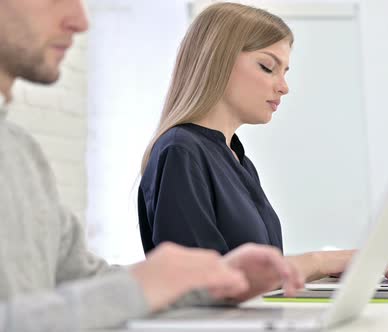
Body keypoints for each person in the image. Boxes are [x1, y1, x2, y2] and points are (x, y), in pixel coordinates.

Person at [0, 0, 303, 331]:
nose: (80, 21)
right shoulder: (181, 149)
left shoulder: (22, 153)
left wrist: (205, 281)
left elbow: (84, 280)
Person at [138, 2, 388, 282]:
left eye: (285, 72)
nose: (283, 87)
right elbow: (203, 283)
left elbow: (253, 278)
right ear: (218, 60)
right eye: (267, 67)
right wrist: (319, 262)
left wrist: (320, 274)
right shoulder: (181, 151)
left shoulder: (237, 159)